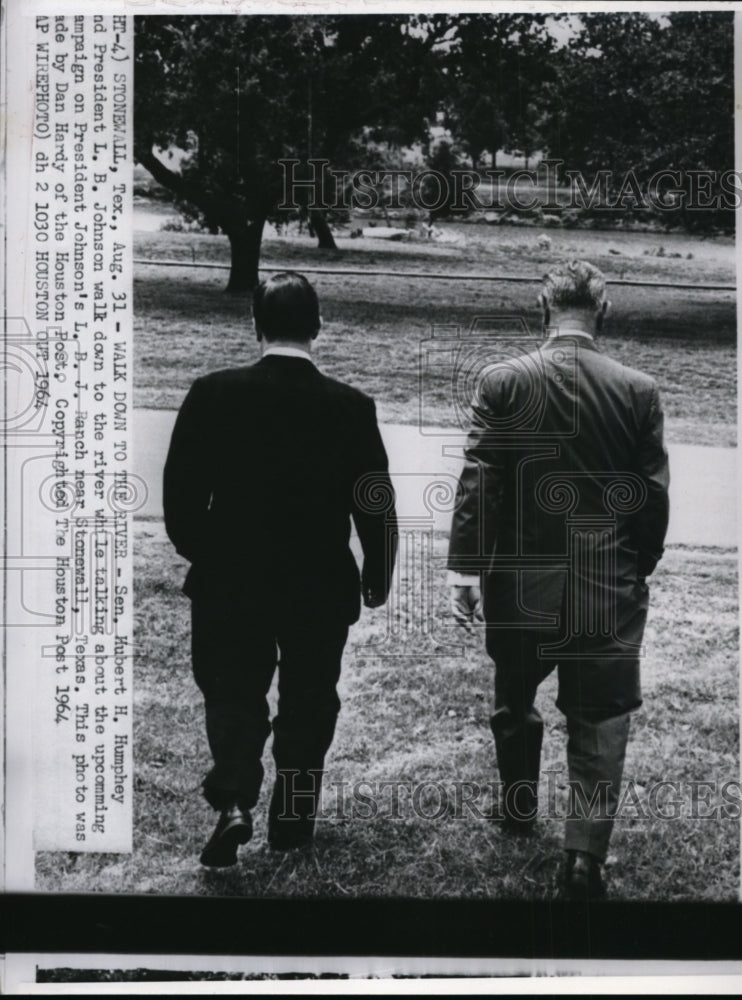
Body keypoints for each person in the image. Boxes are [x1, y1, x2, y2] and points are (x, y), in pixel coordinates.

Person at [447, 260, 669, 899]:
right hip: (607, 583)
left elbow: (479, 482)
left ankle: (518, 808)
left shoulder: (504, 382)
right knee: (600, 719)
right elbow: (650, 497)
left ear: (543, 307)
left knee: (515, 696)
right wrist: (637, 566)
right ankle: (583, 859)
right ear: (604, 308)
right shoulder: (637, 389)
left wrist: (465, 569)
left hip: (522, 584)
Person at [164, 271, 397, 867]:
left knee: (234, 691)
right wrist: (378, 570)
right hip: (319, 581)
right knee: (310, 698)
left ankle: (236, 798)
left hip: (231, 580)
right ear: (318, 326)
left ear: (256, 325)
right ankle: (292, 820)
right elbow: (375, 502)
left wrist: (208, 555)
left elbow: (181, 500)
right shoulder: (351, 406)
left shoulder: (211, 392)